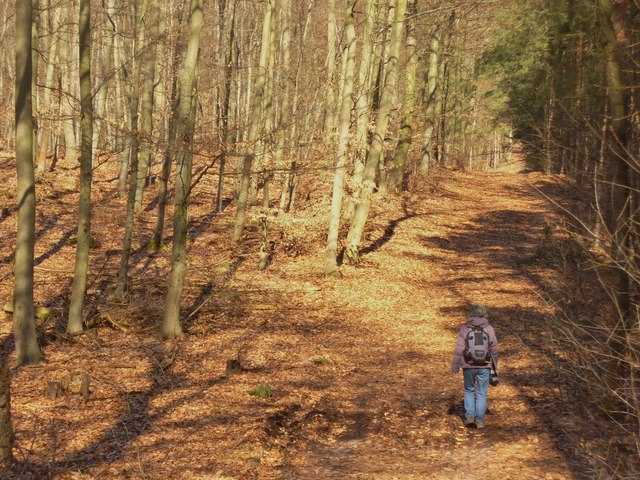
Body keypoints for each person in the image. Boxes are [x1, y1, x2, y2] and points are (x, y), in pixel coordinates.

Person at [451, 303, 499, 429]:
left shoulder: (465, 328)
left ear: (471, 313)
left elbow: (459, 349)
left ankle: (470, 417)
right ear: (484, 314)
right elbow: (494, 350)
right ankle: (480, 420)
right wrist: (494, 366)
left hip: (468, 364)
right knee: (482, 393)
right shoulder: (489, 328)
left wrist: (455, 366)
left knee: (469, 390)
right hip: (485, 365)